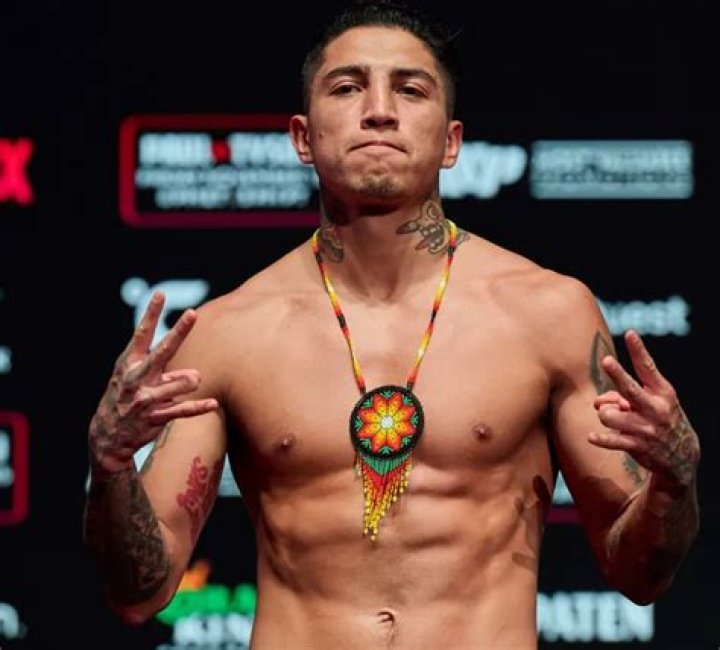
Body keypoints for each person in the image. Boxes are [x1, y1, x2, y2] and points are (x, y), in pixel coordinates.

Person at [83, 2, 701, 648]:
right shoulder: (228, 333)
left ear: (452, 141)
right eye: (347, 87)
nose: (379, 110)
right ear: (301, 137)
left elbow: (639, 574)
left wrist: (673, 482)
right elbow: (139, 592)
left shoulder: (547, 314)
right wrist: (112, 466)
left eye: (410, 89)